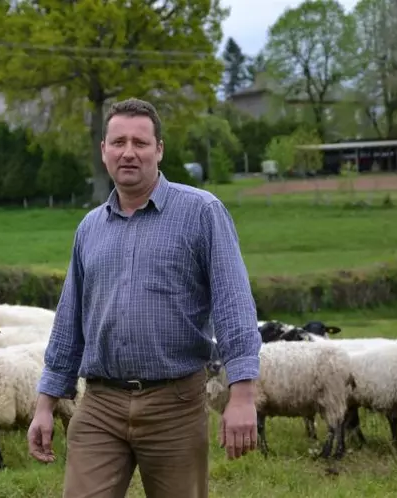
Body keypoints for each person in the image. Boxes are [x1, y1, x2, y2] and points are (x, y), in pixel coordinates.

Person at [27, 97, 262, 498]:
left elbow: (233, 303)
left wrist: (241, 395)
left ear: (159, 149)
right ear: (104, 151)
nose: (129, 152)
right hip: (100, 403)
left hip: (174, 404)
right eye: (118, 142)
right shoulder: (89, 228)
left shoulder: (202, 213)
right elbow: (70, 320)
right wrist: (46, 403)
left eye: (140, 142)